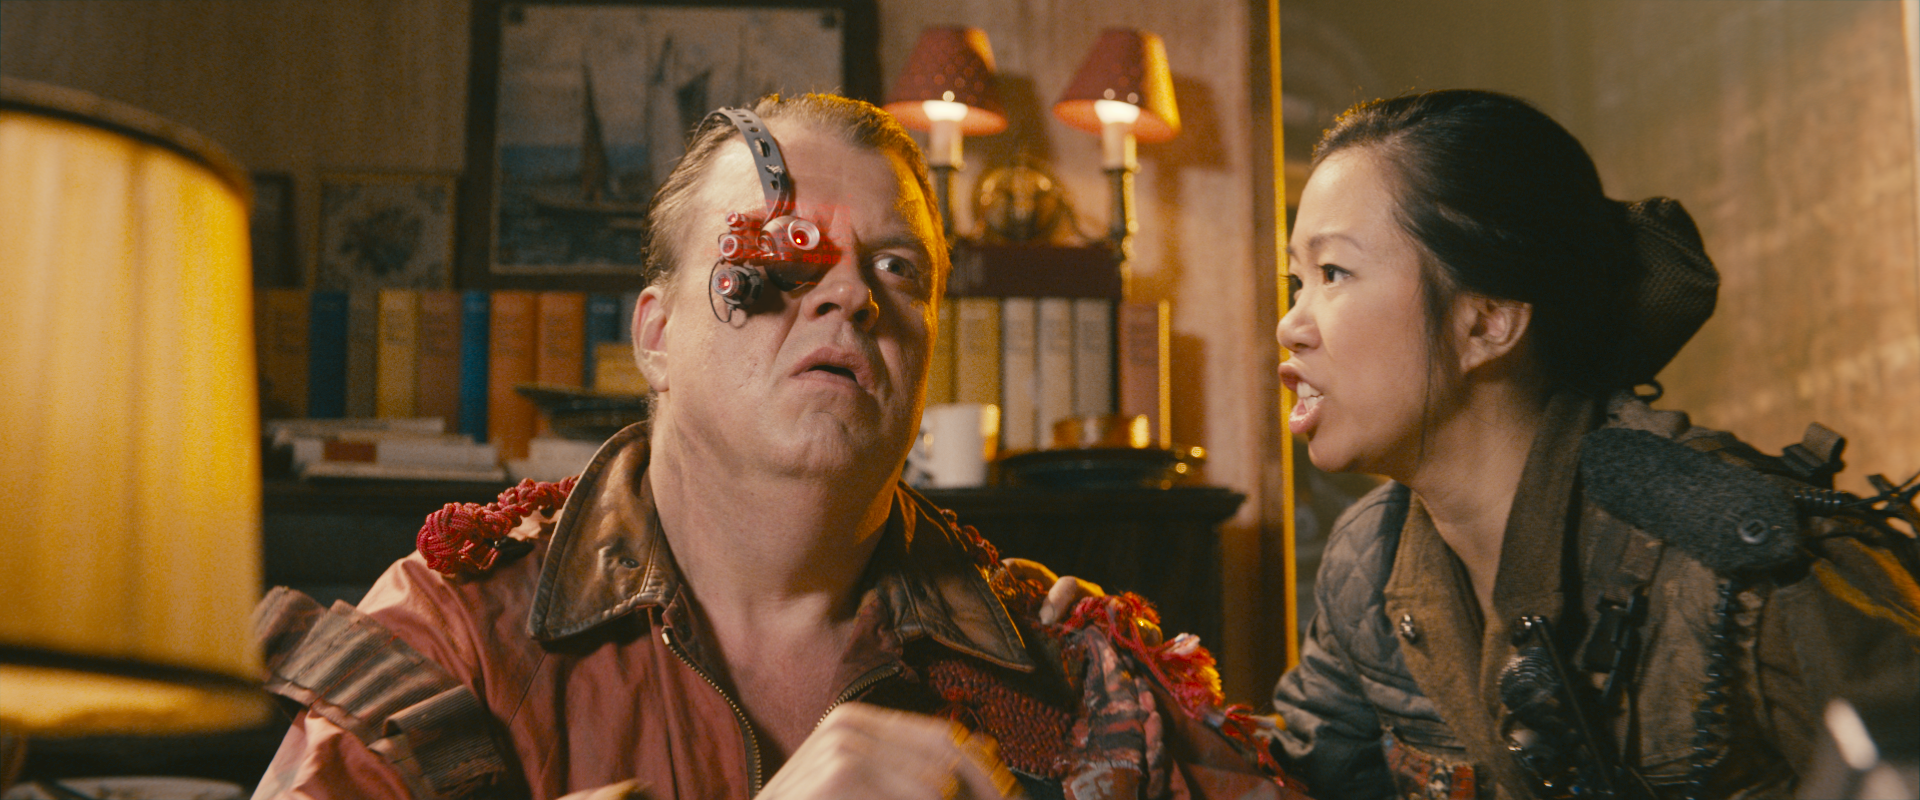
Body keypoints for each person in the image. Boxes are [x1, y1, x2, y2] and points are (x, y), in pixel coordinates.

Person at [250, 93, 1296, 800]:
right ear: (656, 334)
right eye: (784, 256)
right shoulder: (452, 638)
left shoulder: (1067, 670)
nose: (851, 293)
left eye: (898, 268)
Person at [1266, 88, 1920, 799]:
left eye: (1334, 273)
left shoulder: (1745, 562)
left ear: (1487, 321)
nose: (1290, 325)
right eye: (1297, 280)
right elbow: (1308, 777)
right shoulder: (1369, 557)